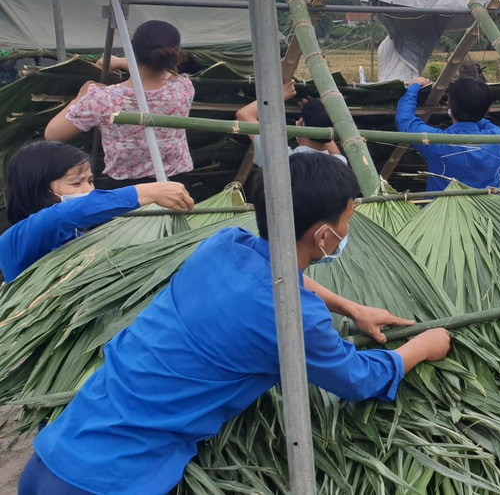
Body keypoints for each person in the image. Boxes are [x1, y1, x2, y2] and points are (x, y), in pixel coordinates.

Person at [18, 152, 452, 495]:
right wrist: (424, 345)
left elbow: (282, 277)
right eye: (347, 222)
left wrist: (350, 308)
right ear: (323, 235)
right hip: (113, 482)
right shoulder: (294, 319)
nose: (347, 228)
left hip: (54, 454)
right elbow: (359, 379)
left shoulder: (223, 244)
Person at [0, 142, 194, 284]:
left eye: (90, 180)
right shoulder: (17, 240)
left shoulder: (80, 234)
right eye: (76, 183)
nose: (89, 190)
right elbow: (60, 216)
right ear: (38, 189)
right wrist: (146, 192)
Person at [44, 20, 196, 185]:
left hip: (125, 191)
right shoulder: (183, 88)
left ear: (131, 50)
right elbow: (158, 72)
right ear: (176, 54)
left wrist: (80, 96)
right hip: (175, 186)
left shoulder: (103, 99)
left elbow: (53, 134)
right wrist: (125, 62)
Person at [396, 76, 500, 190]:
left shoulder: (437, 142)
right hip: (489, 209)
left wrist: (414, 86)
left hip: (444, 210)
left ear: (448, 104)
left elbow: (405, 120)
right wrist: (476, 112)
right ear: (488, 110)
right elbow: (489, 125)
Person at [235, 80, 345, 168]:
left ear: (301, 124)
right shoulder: (339, 164)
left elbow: (244, 114)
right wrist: (316, 114)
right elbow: (327, 139)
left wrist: (277, 96)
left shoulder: (282, 159)